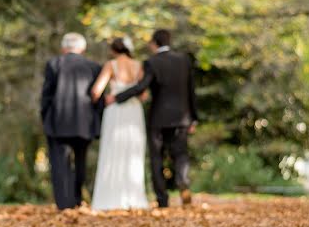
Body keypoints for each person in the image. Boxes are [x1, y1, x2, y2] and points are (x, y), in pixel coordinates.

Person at [108, 29, 198, 208]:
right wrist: (193, 117)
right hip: (181, 117)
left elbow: (142, 86)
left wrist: (118, 97)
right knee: (180, 154)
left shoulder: (152, 62)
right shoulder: (184, 60)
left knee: (157, 157)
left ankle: (162, 199)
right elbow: (191, 90)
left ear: (154, 43)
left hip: (158, 117)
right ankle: (183, 182)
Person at [41, 32, 103, 210]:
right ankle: (76, 199)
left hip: (58, 122)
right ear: (82, 48)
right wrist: (96, 121)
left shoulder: (54, 64)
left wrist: (45, 117)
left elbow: (46, 95)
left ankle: (64, 204)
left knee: (60, 163)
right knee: (81, 161)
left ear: (64, 48)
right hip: (85, 123)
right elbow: (98, 98)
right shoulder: (93, 67)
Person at [90, 37, 150, 211]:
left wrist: (103, 100)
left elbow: (96, 91)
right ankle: (134, 197)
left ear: (114, 50)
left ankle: (109, 197)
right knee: (133, 150)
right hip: (133, 111)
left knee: (112, 148)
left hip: (115, 110)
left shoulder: (111, 65)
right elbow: (143, 95)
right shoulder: (139, 66)